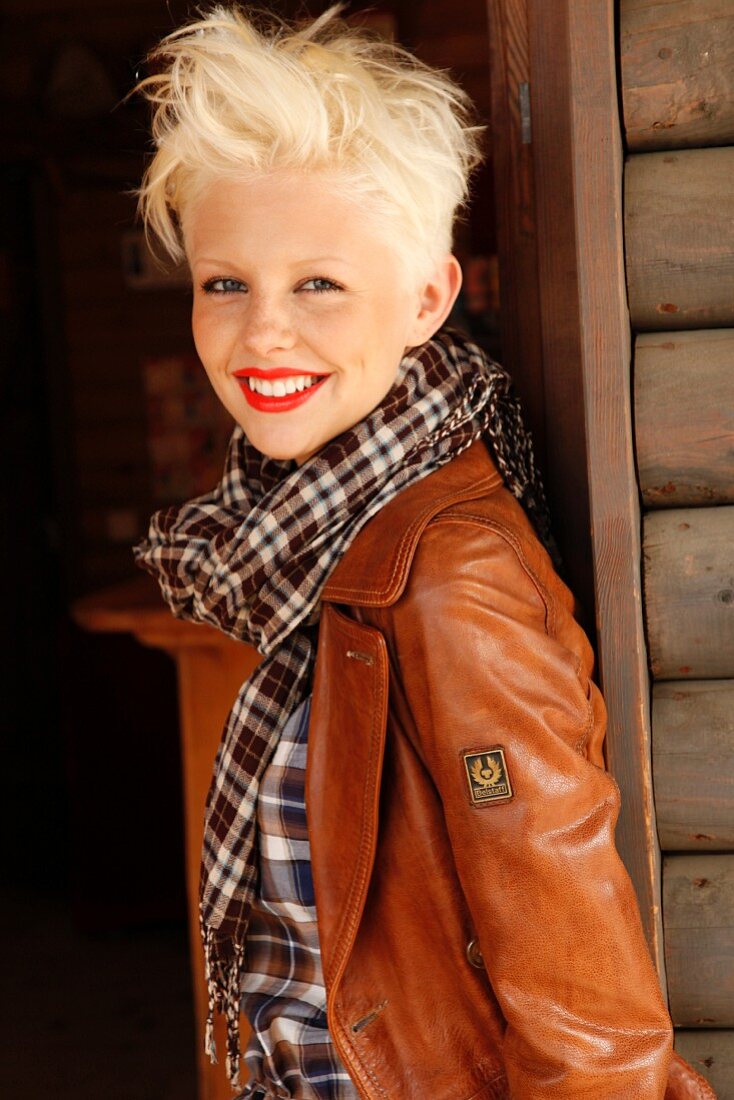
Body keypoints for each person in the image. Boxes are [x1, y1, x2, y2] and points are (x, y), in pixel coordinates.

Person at [132, 6, 714, 1098]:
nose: (263, 332)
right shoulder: (303, 533)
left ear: (425, 298)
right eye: (226, 283)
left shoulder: (450, 581)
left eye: (318, 283)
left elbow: (592, 1024)